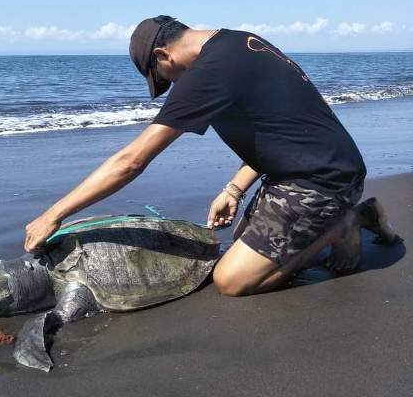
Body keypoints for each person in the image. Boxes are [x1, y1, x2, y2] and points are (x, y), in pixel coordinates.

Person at [24, 15, 391, 296]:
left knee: (232, 280)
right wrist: (233, 189)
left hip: (322, 180)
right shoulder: (237, 43)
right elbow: (277, 130)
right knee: (243, 240)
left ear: (162, 54)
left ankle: (346, 223)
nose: (173, 88)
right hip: (306, 169)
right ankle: (341, 218)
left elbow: (131, 161)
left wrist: (53, 215)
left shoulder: (208, 72)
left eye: (164, 79)